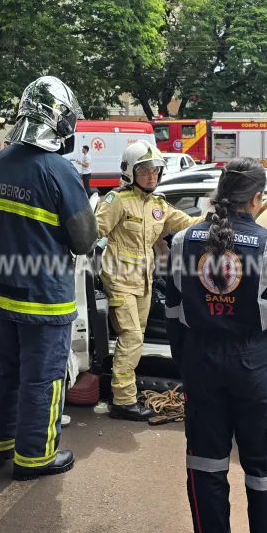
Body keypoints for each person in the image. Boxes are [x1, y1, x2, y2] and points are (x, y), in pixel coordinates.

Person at [165, 158, 267, 533]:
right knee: (262, 469)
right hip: (255, 364)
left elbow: (171, 312)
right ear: (257, 199)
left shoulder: (184, 240)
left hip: (202, 363)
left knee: (206, 464)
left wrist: (186, 358)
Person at [0, 77, 97, 480]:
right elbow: (84, 241)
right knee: (43, 379)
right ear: (59, 119)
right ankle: (35, 457)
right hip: (43, 296)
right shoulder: (58, 169)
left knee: (4, 371)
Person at [96, 141, 194, 422]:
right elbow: (93, 231)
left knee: (136, 341)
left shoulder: (158, 205)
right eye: (145, 170)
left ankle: (125, 391)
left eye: (156, 170)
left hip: (144, 284)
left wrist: (217, 219)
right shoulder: (117, 201)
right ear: (130, 172)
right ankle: (123, 401)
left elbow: (187, 222)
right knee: (132, 337)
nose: (152, 175)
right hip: (119, 282)